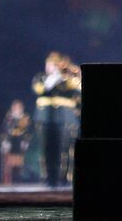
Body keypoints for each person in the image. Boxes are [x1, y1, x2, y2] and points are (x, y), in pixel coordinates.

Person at [32, 52, 79, 186]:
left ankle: (62, 177)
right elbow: (40, 89)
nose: (49, 67)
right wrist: (54, 78)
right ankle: (48, 177)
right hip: (44, 116)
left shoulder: (68, 79)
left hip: (64, 117)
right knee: (46, 148)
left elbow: (77, 87)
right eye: (48, 64)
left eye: (53, 65)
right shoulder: (41, 78)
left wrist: (66, 75)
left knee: (64, 148)